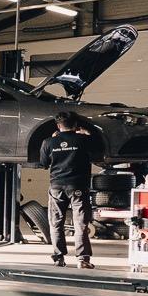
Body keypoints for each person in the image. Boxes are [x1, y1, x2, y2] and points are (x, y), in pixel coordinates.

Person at [38, 111, 95, 269]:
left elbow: (43, 164)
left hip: (57, 187)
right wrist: (87, 133)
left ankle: (59, 258)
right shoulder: (84, 139)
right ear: (76, 125)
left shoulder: (48, 142)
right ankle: (83, 260)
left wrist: (54, 142)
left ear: (58, 126)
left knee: (56, 223)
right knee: (80, 223)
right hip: (78, 186)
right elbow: (98, 150)